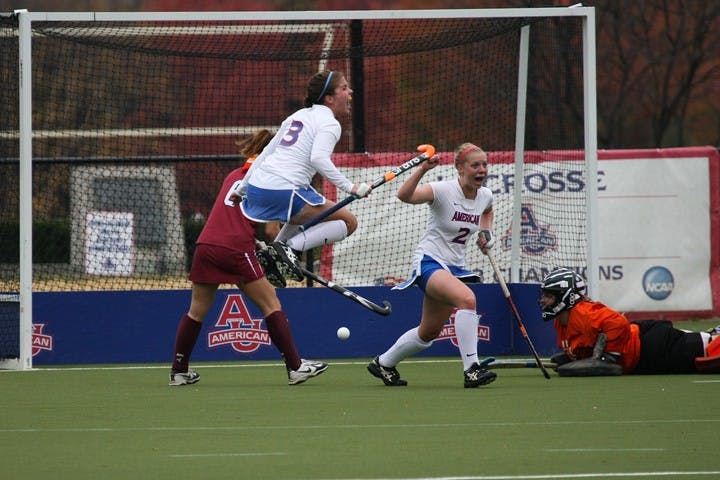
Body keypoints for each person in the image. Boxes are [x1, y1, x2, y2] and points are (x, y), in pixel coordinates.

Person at [169, 130, 328, 387]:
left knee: (196, 311)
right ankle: (296, 367)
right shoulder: (269, 180)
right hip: (235, 249)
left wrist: (255, 243)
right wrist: (279, 246)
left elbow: (233, 217)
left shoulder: (234, 175)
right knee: (270, 303)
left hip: (206, 245)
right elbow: (271, 230)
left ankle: (178, 371)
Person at [367, 142, 498, 388]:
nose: (481, 170)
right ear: (460, 168)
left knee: (428, 332)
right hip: (429, 261)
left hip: (454, 267)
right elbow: (404, 196)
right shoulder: (443, 190)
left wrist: (485, 233)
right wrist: (422, 170)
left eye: (484, 165)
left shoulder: (485, 196)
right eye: (475, 165)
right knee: (467, 300)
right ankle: (472, 370)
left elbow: (487, 212)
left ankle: (383, 363)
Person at [233, 70, 371, 284]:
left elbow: (265, 154)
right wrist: (350, 187)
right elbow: (319, 159)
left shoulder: (297, 116)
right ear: (330, 98)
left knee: (298, 214)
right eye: (344, 88)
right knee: (349, 222)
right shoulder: (330, 124)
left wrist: (241, 189)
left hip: (259, 189)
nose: (350, 91)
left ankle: (272, 256)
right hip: (284, 190)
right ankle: (289, 249)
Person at [539, 267, 720, 375]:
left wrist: (609, 358)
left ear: (567, 297)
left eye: (548, 296)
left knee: (701, 351)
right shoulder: (561, 321)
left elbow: (617, 323)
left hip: (650, 347)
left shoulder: (583, 313)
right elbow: (587, 345)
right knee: (698, 344)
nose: (542, 300)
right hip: (641, 351)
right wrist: (570, 358)